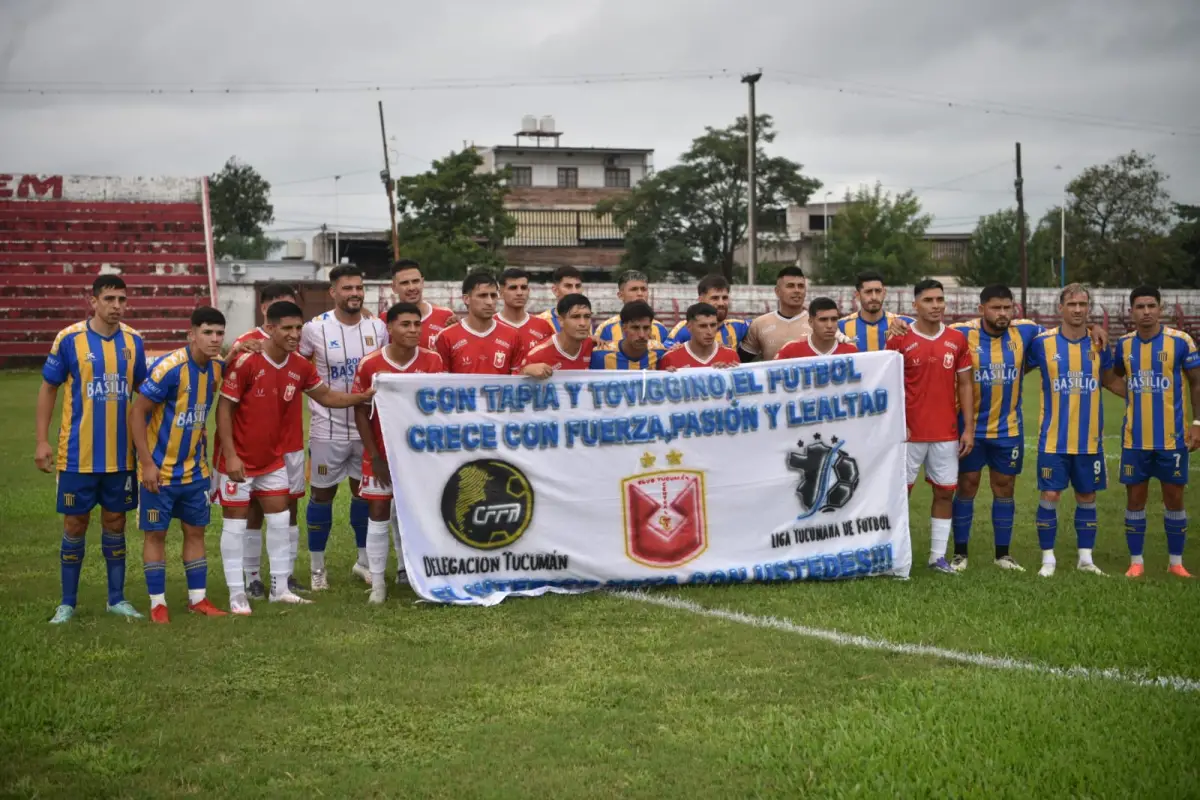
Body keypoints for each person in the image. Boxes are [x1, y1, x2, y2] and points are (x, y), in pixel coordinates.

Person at [215, 301, 375, 613]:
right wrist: (231, 456)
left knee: (279, 519)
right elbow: (224, 408)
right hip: (240, 461)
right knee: (235, 526)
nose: (294, 334)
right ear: (270, 328)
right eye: (287, 328)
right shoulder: (248, 361)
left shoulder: (300, 366)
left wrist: (361, 397)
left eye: (298, 328)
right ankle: (237, 593)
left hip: (274, 459)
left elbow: (326, 395)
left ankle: (279, 588)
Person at [36, 275, 147, 624]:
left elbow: (144, 396)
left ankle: (116, 598)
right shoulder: (69, 339)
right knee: (74, 524)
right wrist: (41, 441)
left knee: (116, 523)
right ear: (93, 301)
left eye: (122, 299)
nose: (117, 306)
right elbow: (49, 388)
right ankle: (67, 603)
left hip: (120, 456)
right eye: (110, 298)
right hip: (77, 454)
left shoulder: (134, 342)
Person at [130, 307, 229, 622]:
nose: (214, 339)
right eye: (207, 332)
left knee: (195, 532)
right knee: (156, 535)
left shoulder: (215, 369)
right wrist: (146, 463)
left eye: (219, 333)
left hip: (195, 472)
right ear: (192, 334)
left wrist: (242, 348)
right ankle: (157, 603)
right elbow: (136, 413)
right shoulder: (169, 369)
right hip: (158, 472)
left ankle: (197, 599)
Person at [300, 265, 389, 592]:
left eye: (359, 287)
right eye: (347, 288)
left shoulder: (378, 328)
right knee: (322, 494)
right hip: (328, 428)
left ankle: (363, 562)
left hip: (367, 430)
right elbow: (297, 365)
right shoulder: (315, 329)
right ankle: (317, 568)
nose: (354, 293)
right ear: (333, 292)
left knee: (364, 494)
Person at [1025, 283, 1122, 578]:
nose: (1078, 309)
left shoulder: (1098, 344)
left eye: (1083, 305)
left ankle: (1085, 558)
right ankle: (1048, 559)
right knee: (1050, 495)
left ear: (1088, 309)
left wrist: (1143, 397)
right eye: (1072, 304)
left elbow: (1108, 379)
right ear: (1061, 308)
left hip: (1090, 440)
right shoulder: (1042, 344)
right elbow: (1016, 370)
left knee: (1087, 497)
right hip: (1053, 438)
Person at [946, 285, 1044, 572]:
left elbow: (1061, 333)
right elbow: (928, 330)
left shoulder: (1025, 331)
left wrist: (1091, 329)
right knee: (967, 486)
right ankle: (960, 553)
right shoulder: (961, 333)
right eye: (996, 308)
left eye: (1007, 308)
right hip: (969, 428)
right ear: (981, 309)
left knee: (1005, 488)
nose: (1002, 314)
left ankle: (1003, 555)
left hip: (1007, 429)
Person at [1105, 286, 1200, 578]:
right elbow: (1110, 378)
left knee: (1174, 498)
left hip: (1172, 439)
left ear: (1160, 309)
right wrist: (1134, 395)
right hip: (1135, 439)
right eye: (1140, 307)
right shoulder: (1123, 345)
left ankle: (1176, 563)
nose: (1146, 312)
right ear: (1131, 311)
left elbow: (1196, 383)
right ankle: (1136, 562)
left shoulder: (1181, 342)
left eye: (1151, 306)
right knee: (1135, 499)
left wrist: (1197, 423)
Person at [353, 302, 445, 603]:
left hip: (420, 455)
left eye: (417, 324)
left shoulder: (433, 361)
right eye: (405, 324)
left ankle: (424, 577)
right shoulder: (370, 364)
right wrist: (375, 456)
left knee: (424, 513)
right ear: (389, 328)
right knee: (378, 512)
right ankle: (378, 584)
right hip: (380, 454)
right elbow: (360, 411)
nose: (413, 330)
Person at [886, 279, 974, 574]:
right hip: (908, 435)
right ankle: (896, 554)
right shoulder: (898, 340)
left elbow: (965, 385)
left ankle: (937, 557)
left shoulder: (957, 340)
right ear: (915, 305)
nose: (936, 305)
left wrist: (968, 429)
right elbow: (888, 386)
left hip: (946, 433)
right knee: (900, 495)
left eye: (940, 299)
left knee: (945, 492)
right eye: (928, 300)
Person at [229, 282, 307, 598]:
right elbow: (228, 388)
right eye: (278, 305)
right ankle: (252, 577)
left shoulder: (297, 339)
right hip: (258, 443)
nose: (293, 330)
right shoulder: (247, 345)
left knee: (289, 507)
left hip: (291, 439)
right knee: (254, 510)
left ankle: (283, 577)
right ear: (265, 309)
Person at [434, 270, 523, 374]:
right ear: (466, 299)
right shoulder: (446, 337)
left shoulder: (512, 335)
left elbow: (516, 381)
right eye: (482, 296)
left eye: (493, 296)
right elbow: (441, 383)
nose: (490, 302)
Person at [738, 266, 813, 362]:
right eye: (790, 286)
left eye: (801, 286)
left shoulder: (817, 323)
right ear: (777, 291)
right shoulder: (759, 324)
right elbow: (741, 363)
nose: (797, 290)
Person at [594, 270, 672, 350]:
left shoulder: (660, 328)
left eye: (643, 289)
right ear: (621, 295)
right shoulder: (606, 328)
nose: (640, 294)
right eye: (634, 289)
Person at [838, 271, 914, 351]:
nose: (874, 297)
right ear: (857, 295)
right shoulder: (841, 327)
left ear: (884, 293)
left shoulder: (906, 323)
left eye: (878, 291)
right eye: (868, 292)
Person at [520, 294, 595, 376]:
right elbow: (514, 383)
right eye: (575, 317)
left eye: (587, 316)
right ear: (561, 321)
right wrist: (525, 371)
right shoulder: (537, 355)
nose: (583, 323)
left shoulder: (592, 345)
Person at [390, 259, 456, 349]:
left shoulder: (446, 316)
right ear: (394, 287)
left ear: (422, 282)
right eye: (405, 283)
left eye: (415, 281)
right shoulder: (385, 319)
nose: (411, 287)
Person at [668, 274, 749, 348]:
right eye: (715, 298)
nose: (721, 303)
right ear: (701, 300)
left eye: (725, 298)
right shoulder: (685, 328)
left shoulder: (737, 327)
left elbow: (759, 323)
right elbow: (666, 353)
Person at [660, 303, 741, 370]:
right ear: (689, 327)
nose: (710, 332)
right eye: (703, 326)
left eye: (713, 325)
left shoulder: (731, 356)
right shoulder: (670, 358)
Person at [590, 301, 666, 370]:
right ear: (623, 328)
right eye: (635, 328)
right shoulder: (600, 355)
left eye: (646, 328)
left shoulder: (660, 351)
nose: (642, 335)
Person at [776, 298, 859, 359]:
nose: (829, 325)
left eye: (834, 319)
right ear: (811, 322)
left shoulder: (851, 351)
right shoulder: (790, 350)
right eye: (823, 320)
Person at [498, 267, 555, 353]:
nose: (520, 293)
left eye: (523, 288)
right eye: (513, 288)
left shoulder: (543, 326)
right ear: (501, 293)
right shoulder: (490, 325)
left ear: (528, 291)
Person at [536, 266, 584, 333]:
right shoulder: (539, 321)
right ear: (555, 290)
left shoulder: (585, 321)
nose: (574, 291)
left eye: (578, 286)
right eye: (568, 286)